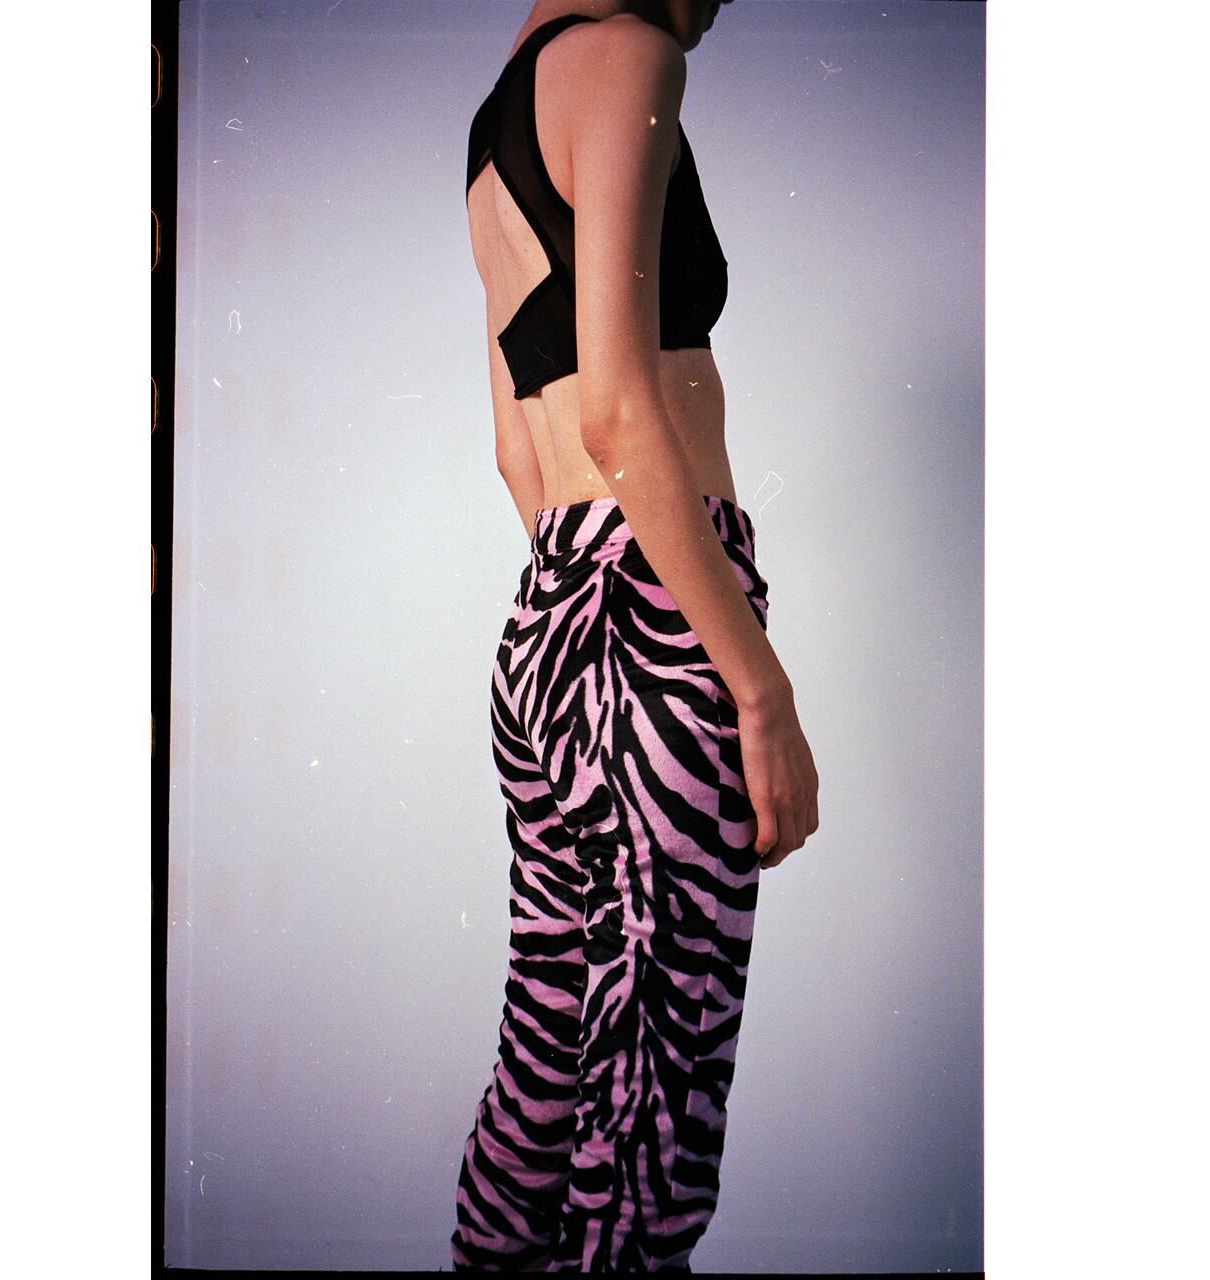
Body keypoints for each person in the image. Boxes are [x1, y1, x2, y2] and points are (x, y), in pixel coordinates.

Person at [451, 1, 819, 1270]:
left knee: (546, 1061)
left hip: (549, 618)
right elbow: (615, 408)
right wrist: (755, 689)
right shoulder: (625, 55)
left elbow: (520, 449)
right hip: (656, 626)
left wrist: (590, 614)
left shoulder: (494, 125)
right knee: (652, 1110)